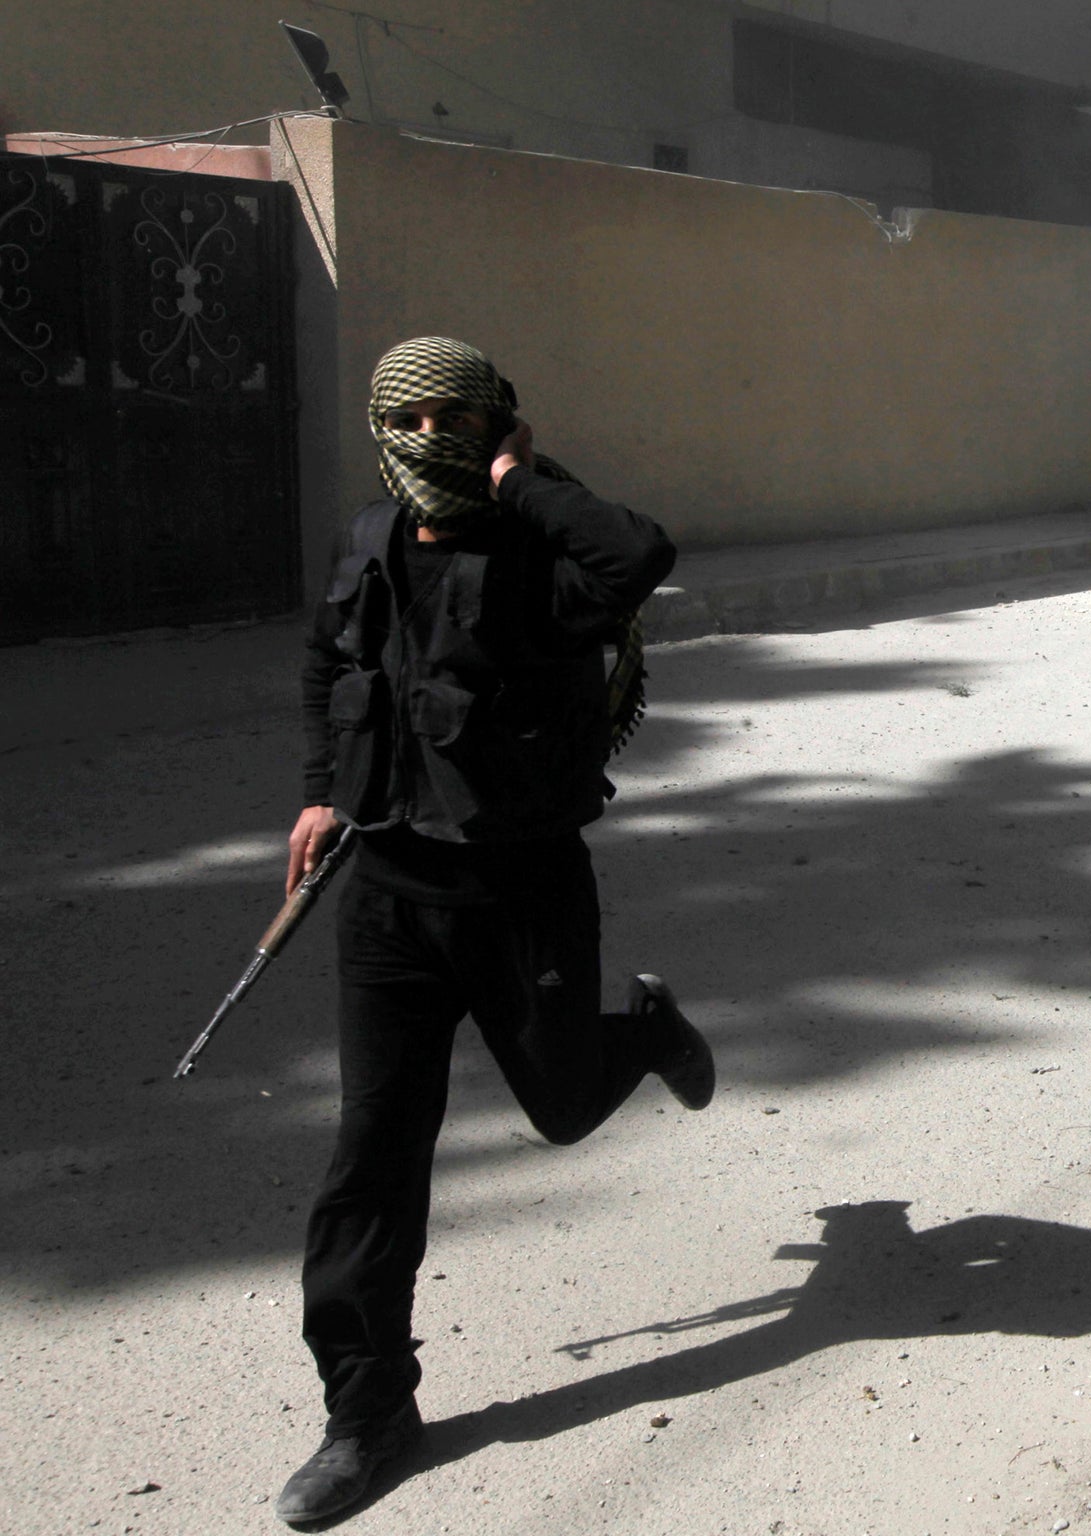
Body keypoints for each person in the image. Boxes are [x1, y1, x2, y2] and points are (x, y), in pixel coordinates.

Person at [275, 336, 714, 1525]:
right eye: (405, 419)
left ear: (496, 422)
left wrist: (522, 482)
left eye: (453, 418)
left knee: (564, 1104)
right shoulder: (365, 541)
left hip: (519, 889)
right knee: (373, 1154)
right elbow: (327, 666)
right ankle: (367, 1414)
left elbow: (641, 554)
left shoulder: (547, 552)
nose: (428, 440)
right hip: (385, 893)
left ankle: (646, 1032)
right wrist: (322, 790)